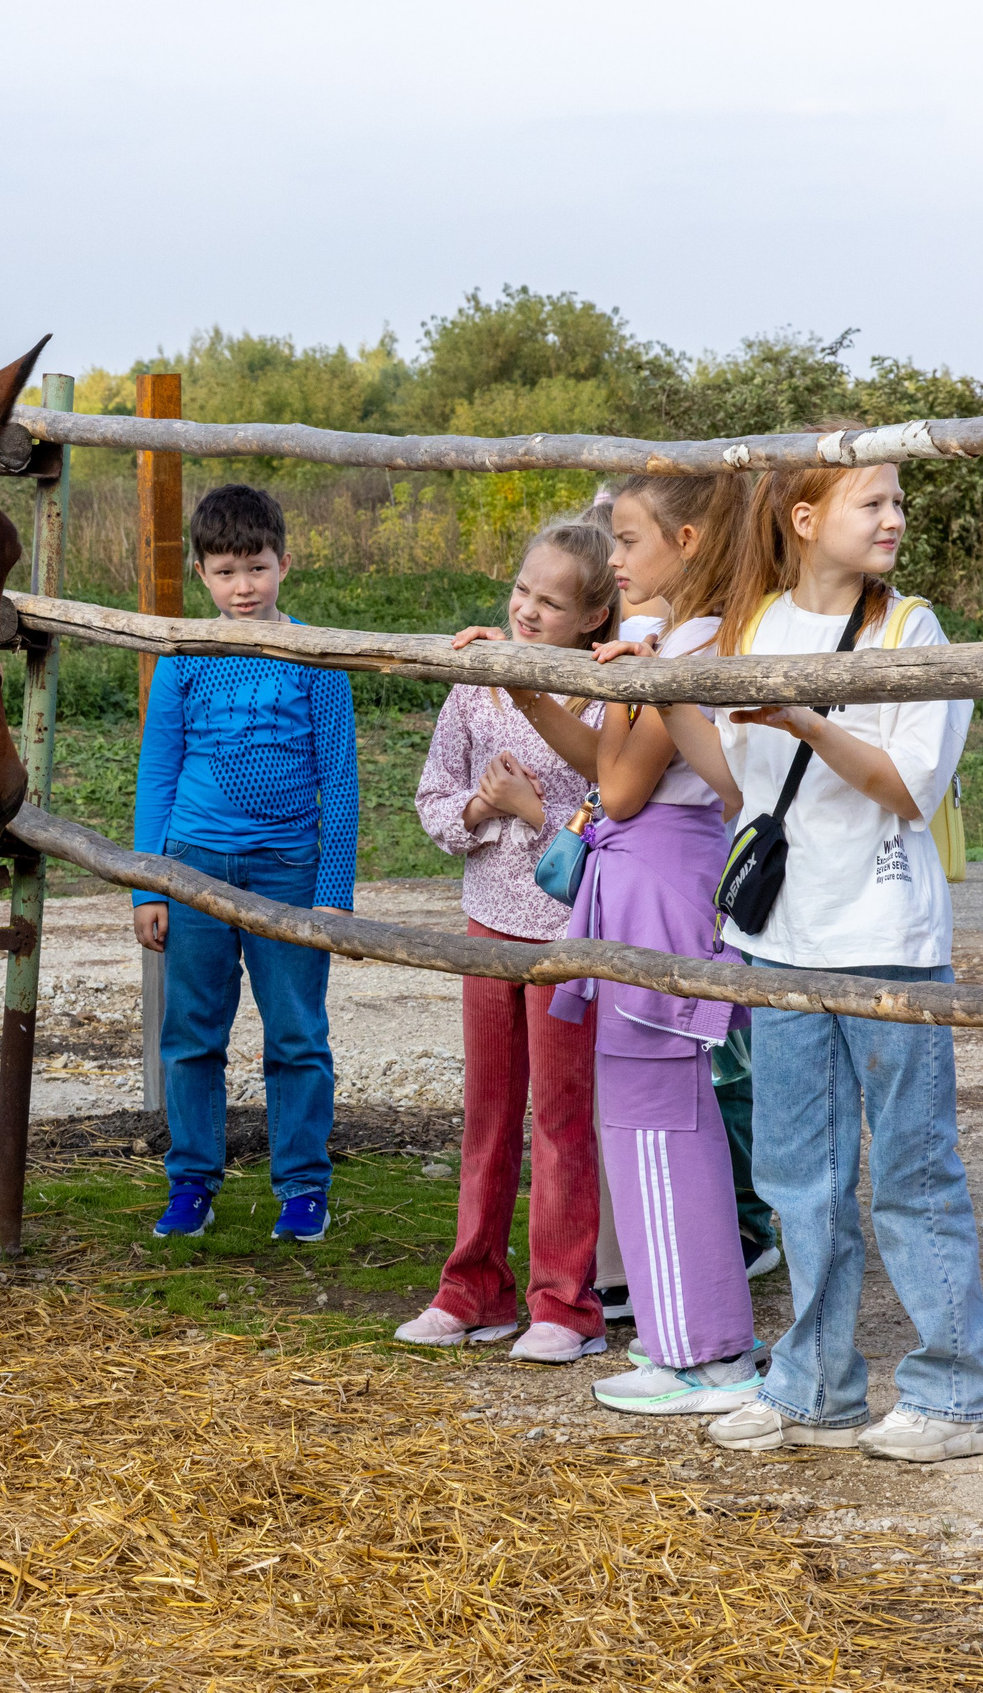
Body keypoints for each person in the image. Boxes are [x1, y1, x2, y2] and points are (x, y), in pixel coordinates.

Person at [690, 456, 983, 1463]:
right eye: (872, 501)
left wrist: (805, 720)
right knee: (799, 1175)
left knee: (913, 1168)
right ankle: (814, 1386)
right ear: (803, 516)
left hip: (888, 939)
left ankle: (957, 1394)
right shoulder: (753, 627)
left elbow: (909, 786)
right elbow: (737, 783)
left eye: (898, 500)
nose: (893, 517)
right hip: (782, 939)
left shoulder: (913, 632)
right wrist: (660, 690)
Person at [495, 474, 765, 1416]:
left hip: (658, 884)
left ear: (687, 543)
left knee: (658, 1118)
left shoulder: (688, 647)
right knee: (646, 1115)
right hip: (640, 875)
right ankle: (682, 1336)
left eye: (630, 538)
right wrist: (533, 693)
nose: (614, 558)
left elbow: (616, 791)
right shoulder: (678, 640)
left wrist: (623, 683)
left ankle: (704, 1352)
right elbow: (609, 770)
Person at [398, 516, 619, 1362]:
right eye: (522, 591)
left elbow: (614, 815)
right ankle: (473, 1289)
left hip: (569, 936)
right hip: (487, 929)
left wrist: (535, 815)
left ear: (593, 617)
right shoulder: (477, 684)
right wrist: (481, 809)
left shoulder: (607, 694)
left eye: (551, 604)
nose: (526, 610)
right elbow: (433, 799)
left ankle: (565, 1303)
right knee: (488, 1114)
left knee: (562, 1118)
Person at [132, 484, 359, 1244]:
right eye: (226, 572)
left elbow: (340, 779)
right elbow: (158, 770)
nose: (242, 587)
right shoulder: (185, 657)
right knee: (192, 1032)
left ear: (283, 565)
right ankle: (192, 1181)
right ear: (201, 573)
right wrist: (149, 884)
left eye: (256, 568)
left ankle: (303, 1185)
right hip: (193, 866)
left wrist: (333, 892)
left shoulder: (316, 657)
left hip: (288, 868)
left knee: (296, 1032)